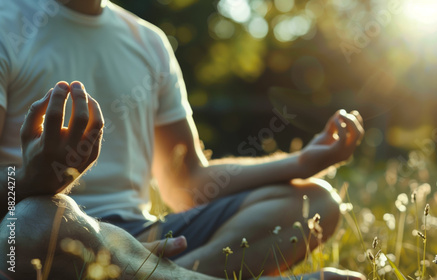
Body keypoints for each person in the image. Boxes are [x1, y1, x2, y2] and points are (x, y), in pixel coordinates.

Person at [0, 0, 365, 279]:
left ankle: (148, 272)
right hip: (48, 230)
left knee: (314, 201)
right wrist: (34, 182)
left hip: (142, 236)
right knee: (32, 223)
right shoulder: (6, 22)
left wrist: (304, 162)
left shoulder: (149, 41)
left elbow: (188, 183)